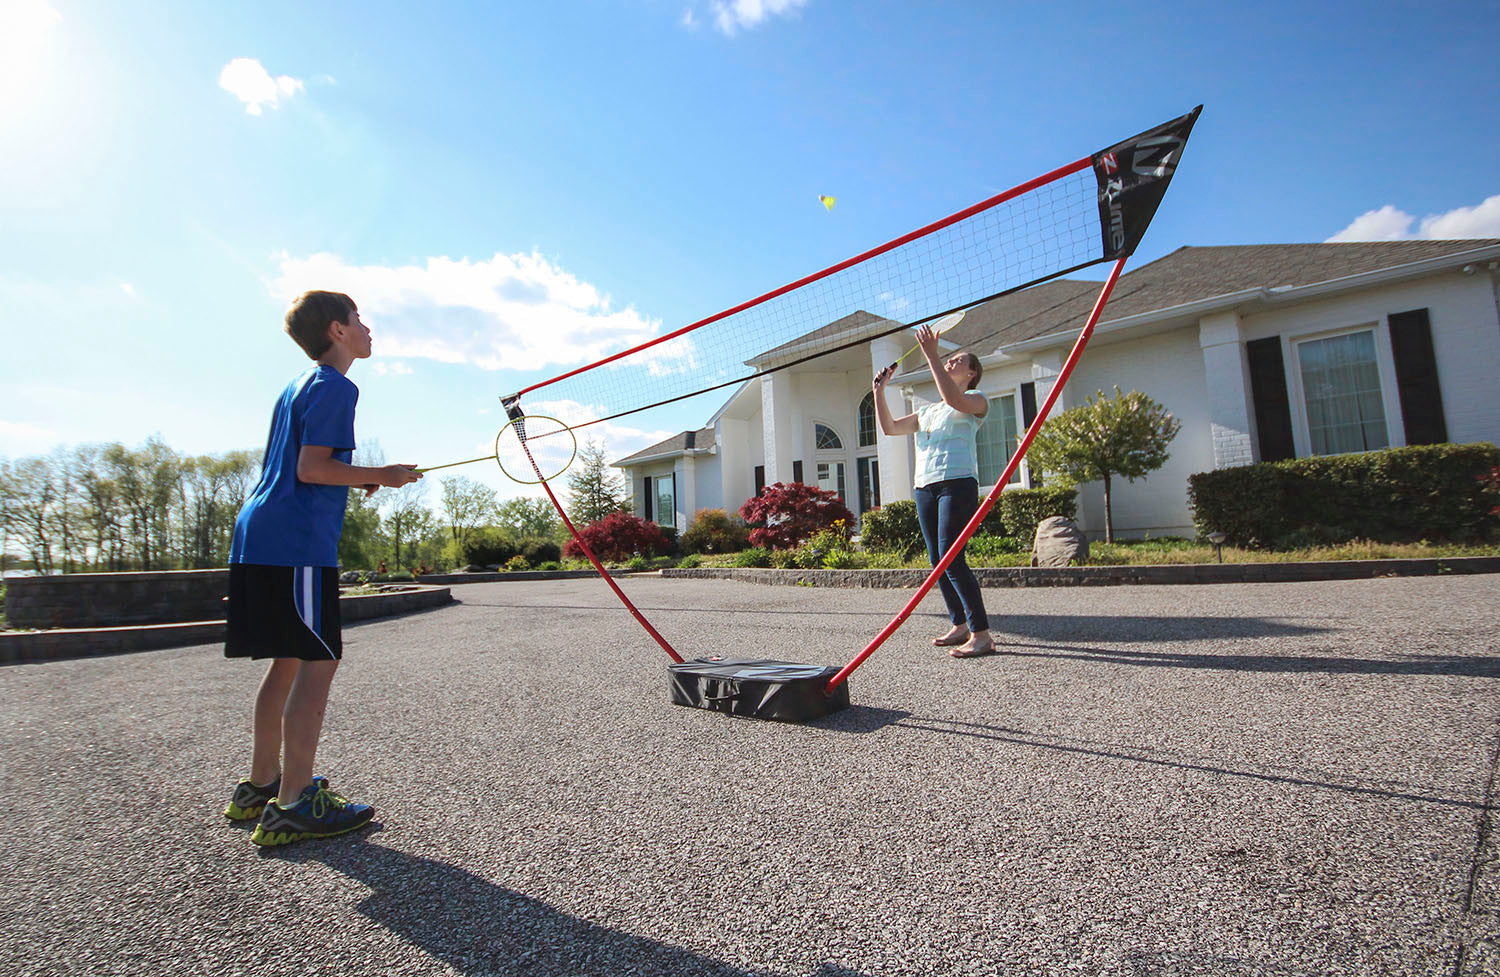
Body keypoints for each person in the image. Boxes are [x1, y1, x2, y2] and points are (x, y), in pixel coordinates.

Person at [222, 290, 422, 846]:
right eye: (359, 318)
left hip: (259, 534)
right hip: (295, 542)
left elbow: (307, 465)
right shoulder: (338, 386)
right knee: (319, 657)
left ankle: (261, 786)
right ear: (337, 330)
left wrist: (361, 476)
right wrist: (380, 474)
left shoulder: (297, 386)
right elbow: (313, 470)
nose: (367, 327)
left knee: (288, 659)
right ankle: (294, 805)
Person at [872, 323, 995, 658]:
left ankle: (981, 634)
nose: (951, 362)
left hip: (957, 482)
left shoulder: (975, 400)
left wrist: (930, 353)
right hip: (925, 486)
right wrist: (879, 392)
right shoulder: (928, 411)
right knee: (937, 560)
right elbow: (891, 428)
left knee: (952, 557)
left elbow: (952, 398)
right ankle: (959, 625)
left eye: (958, 361)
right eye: (949, 359)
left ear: (973, 373)